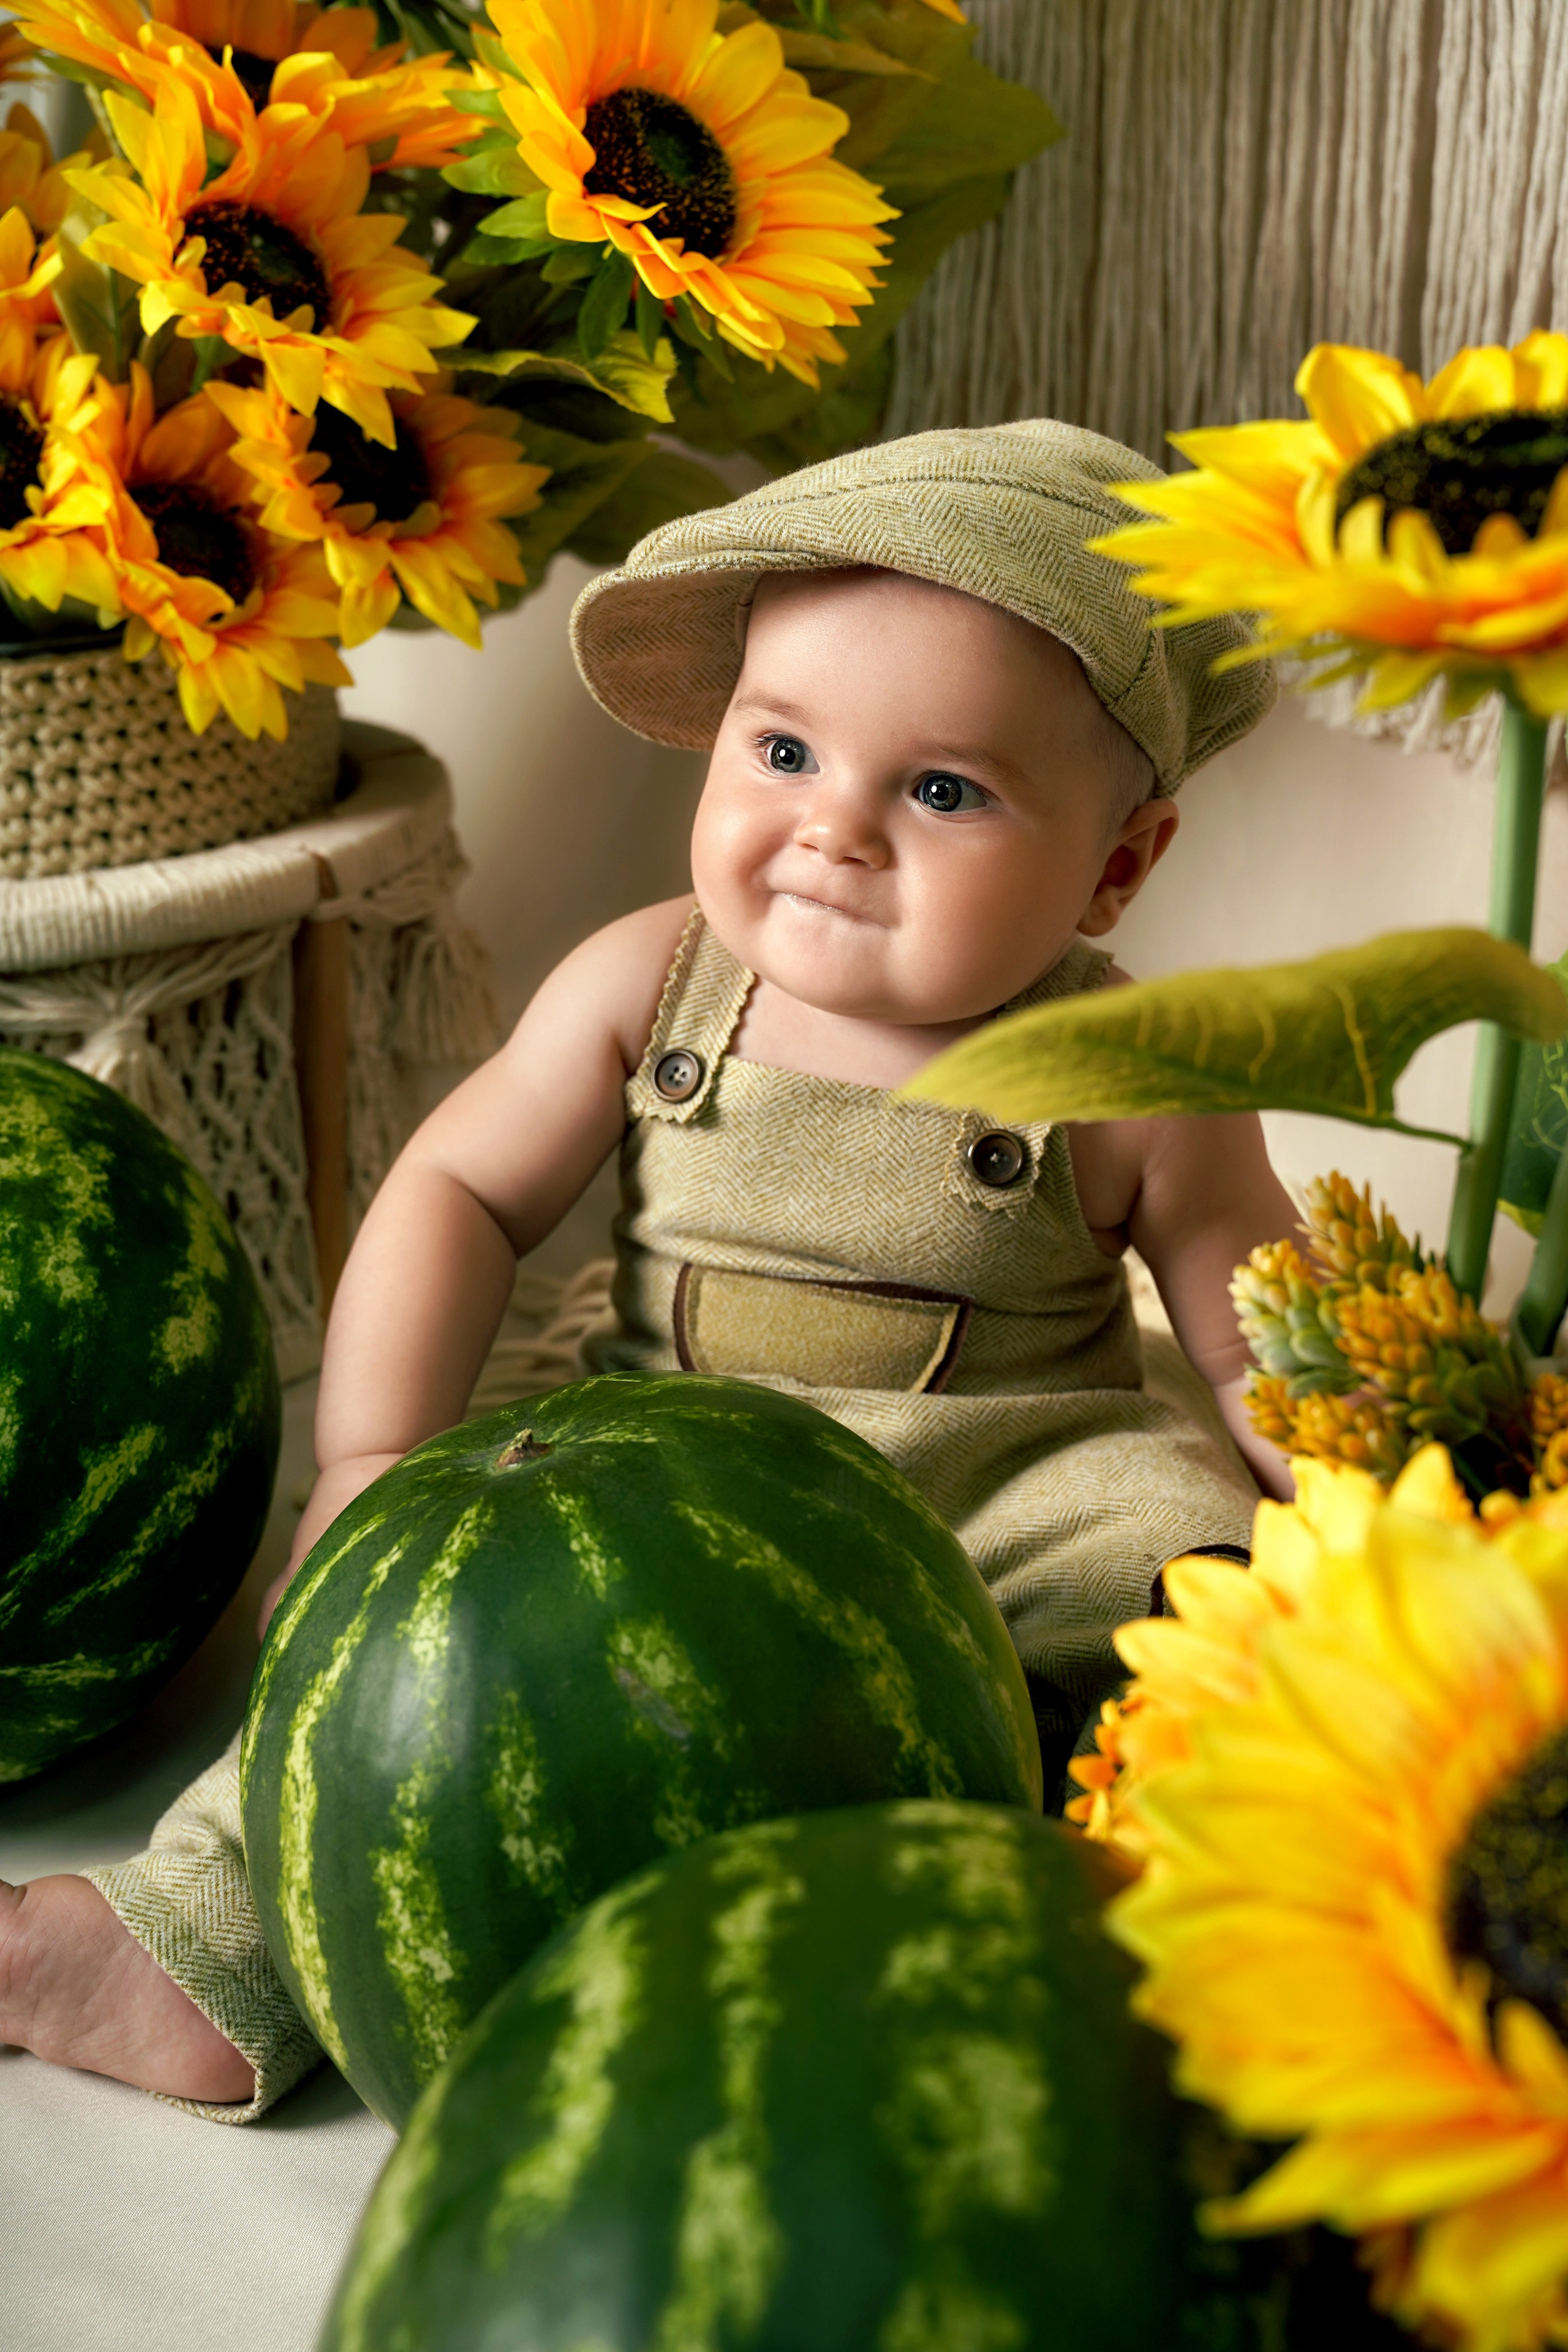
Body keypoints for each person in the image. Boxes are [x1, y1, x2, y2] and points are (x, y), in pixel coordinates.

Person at [0, 418, 1297, 2120]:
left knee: (1199, 1611)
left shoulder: (1142, 1069)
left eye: (944, 789)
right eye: (781, 750)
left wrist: (1357, 1488)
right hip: (660, 1458)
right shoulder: (648, 980)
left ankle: (1041, 1922)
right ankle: (185, 1946)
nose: (833, 829)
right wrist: (373, 1460)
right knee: (415, 1664)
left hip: (1008, 1478)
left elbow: (1257, 1323)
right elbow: (457, 1188)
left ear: (1118, 867)